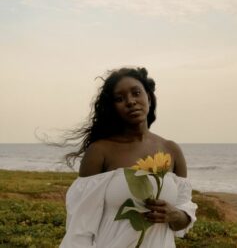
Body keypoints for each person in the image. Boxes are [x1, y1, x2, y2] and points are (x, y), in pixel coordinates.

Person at [60, 67, 197, 248]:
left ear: (148, 97)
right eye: (119, 98)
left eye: (136, 93)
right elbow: (80, 229)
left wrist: (177, 215)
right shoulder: (100, 151)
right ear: (113, 108)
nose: (130, 101)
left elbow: (184, 211)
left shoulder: (171, 150)